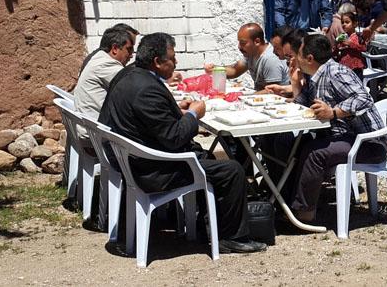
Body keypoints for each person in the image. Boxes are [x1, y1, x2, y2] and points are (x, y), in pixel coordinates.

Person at [98, 33, 266, 253]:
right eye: (172, 58)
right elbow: (174, 138)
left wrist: (176, 110)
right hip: (152, 169)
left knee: (209, 158)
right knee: (232, 170)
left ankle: (204, 222)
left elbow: (151, 118)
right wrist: (193, 115)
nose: (176, 62)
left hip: (132, 158)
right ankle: (232, 237)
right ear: (157, 62)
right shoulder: (146, 88)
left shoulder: (128, 75)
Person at [288, 34, 387, 222]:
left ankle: (305, 214)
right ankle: (286, 201)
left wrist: (333, 113)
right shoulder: (315, 76)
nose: (295, 59)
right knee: (295, 143)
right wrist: (294, 82)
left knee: (314, 153)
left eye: (298, 55)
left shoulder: (335, 73)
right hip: (345, 138)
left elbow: (364, 99)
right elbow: (304, 106)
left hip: (368, 142)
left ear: (309, 58)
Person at [73, 27, 135, 135]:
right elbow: (133, 87)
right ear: (115, 48)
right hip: (96, 134)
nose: (131, 55)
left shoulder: (99, 58)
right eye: (129, 49)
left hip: (92, 128)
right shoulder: (106, 64)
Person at [204, 23, 288, 92]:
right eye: (239, 42)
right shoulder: (250, 54)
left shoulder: (270, 59)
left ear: (257, 41)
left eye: (243, 43)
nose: (239, 47)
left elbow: (271, 91)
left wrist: (243, 97)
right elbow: (235, 70)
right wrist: (215, 69)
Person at [334, 11, 367, 79]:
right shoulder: (342, 36)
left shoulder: (358, 36)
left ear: (355, 24)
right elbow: (337, 51)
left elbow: (363, 48)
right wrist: (337, 46)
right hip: (343, 67)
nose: (344, 24)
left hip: (355, 67)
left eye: (347, 22)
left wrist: (350, 44)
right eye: (342, 22)